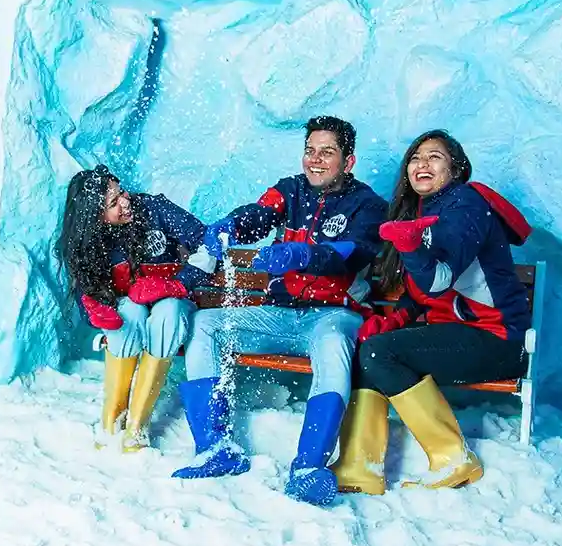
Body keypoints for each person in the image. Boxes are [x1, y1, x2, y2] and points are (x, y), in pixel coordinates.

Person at [170, 116, 389, 507]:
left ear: (349, 161)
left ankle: (308, 467)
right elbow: (259, 214)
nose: (315, 160)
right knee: (205, 323)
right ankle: (216, 447)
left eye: (327, 152)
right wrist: (230, 226)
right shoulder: (290, 191)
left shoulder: (369, 206)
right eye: (310, 151)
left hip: (333, 315)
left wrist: (305, 254)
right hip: (278, 312)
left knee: (336, 345)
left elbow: (352, 252)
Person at [331, 129, 532, 494]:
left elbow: (439, 280)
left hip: (497, 339)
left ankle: (453, 458)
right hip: (456, 334)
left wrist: (410, 247)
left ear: (456, 169)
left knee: (381, 352)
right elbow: (421, 294)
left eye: (435, 157)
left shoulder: (467, 205)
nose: (422, 163)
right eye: (416, 158)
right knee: (373, 345)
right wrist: (394, 319)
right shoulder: (423, 211)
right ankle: (359, 466)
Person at [56, 165, 216, 452]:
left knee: (167, 314)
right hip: (134, 306)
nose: (125, 203)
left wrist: (178, 284)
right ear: (96, 217)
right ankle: (112, 422)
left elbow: (211, 243)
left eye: (122, 194)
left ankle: (137, 427)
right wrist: (96, 308)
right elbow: (90, 296)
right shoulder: (89, 243)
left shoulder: (154, 209)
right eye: (113, 203)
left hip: (174, 301)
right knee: (127, 314)